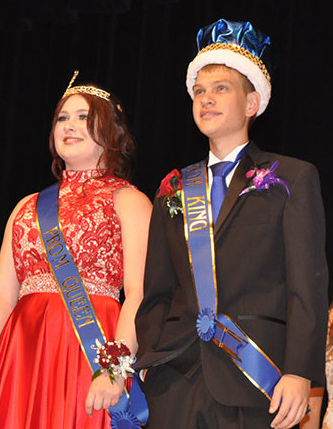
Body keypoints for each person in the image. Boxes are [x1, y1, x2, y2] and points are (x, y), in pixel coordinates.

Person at [135, 18, 328, 429]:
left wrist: (299, 372)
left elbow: (306, 286)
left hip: (255, 379)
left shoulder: (292, 177)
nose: (206, 99)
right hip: (175, 377)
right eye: (199, 92)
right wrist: (150, 359)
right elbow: (156, 291)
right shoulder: (172, 188)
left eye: (221, 89)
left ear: (253, 102)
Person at [0, 71, 152, 428]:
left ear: (112, 133)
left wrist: (114, 370)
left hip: (88, 357)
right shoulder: (26, 206)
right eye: (62, 118)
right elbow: (0, 294)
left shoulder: (130, 201)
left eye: (83, 118)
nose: (69, 126)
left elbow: (140, 294)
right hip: (20, 354)